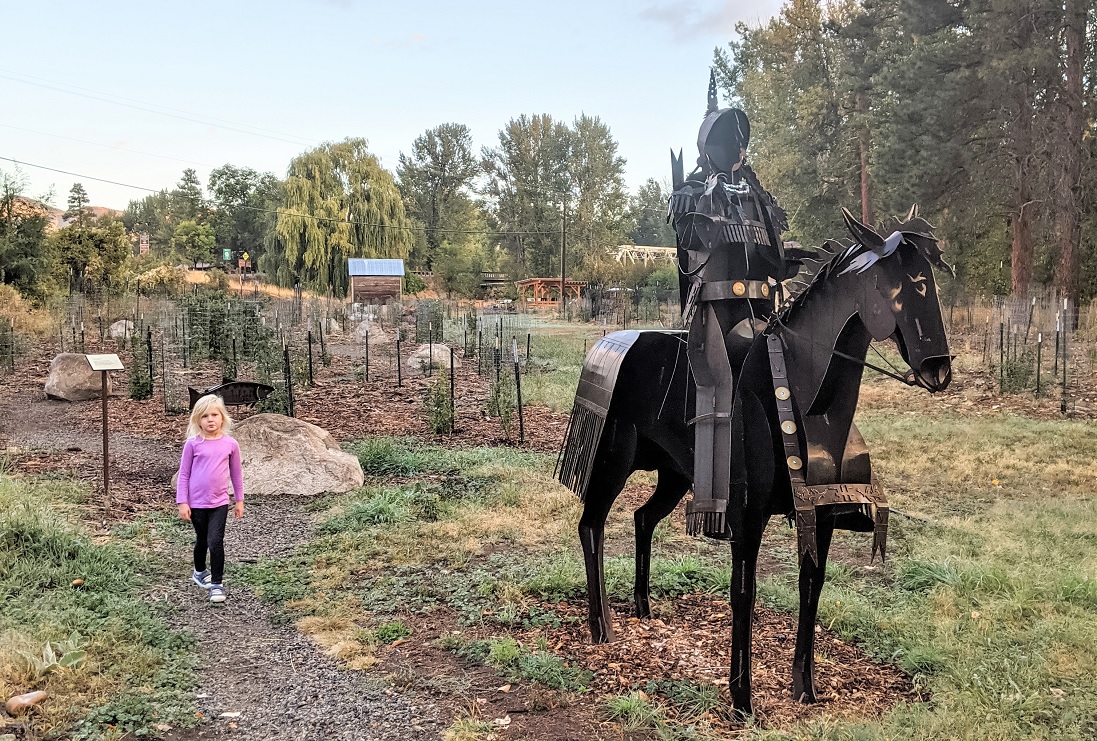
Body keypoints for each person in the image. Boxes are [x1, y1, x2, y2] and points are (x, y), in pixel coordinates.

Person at [175, 394, 244, 604]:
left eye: (214, 415)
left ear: (222, 418)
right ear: (198, 420)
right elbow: (184, 474)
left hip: (220, 503)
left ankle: (216, 584)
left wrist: (239, 500)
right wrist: (182, 502)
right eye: (205, 416)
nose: (210, 419)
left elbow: (236, 474)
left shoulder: (230, 444)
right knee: (202, 540)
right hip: (196, 503)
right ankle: (199, 571)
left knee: (216, 542)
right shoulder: (192, 445)